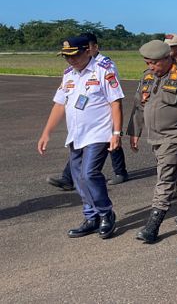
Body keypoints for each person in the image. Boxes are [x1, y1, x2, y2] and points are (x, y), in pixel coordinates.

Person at [37, 36, 124, 239]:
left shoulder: (103, 70)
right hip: (76, 134)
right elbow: (60, 105)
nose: (71, 60)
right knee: (77, 179)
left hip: (98, 133)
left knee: (89, 174)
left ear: (87, 51)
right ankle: (91, 216)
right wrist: (46, 133)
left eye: (75, 55)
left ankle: (106, 213)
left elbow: (115, 103)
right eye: (67, 57)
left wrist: (116, 133)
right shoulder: (69, 75)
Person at [127, 40, 177, 243]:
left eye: (154, 63)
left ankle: (153, 225)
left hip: (176, 134)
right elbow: (139, 104)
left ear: (168, 58)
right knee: (176, 171)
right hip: (155, 135)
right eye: (148, 63)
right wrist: (134, 131)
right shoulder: (148, 76)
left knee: (165, 177)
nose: (151, 67)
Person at [46, 32, 128, 190]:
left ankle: (120, 172)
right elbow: (62, 100)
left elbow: (114, 96)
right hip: (86, 121)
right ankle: (68, 177)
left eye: (88, 47)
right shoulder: (72, 71)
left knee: (111, 145)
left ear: (93, 48)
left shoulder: (105, 65)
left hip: (103, 115)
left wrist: (116, 131)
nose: (72, 58)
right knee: (82, 147)